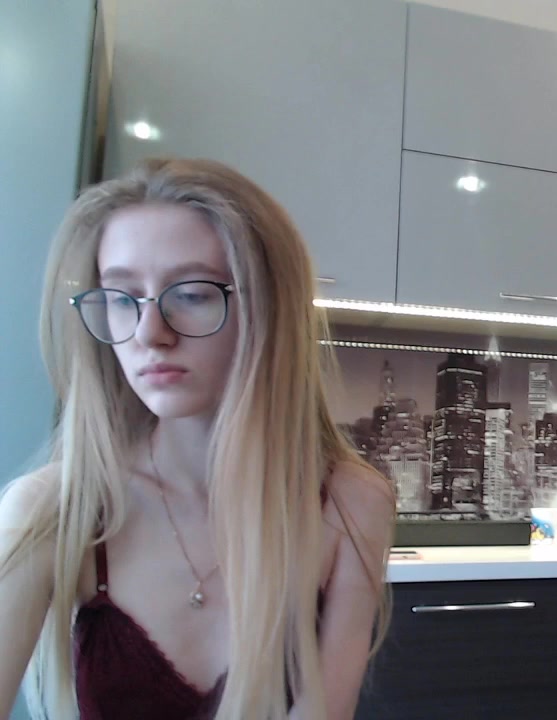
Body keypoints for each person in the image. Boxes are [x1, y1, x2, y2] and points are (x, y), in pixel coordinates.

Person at [0, 158, 396, 719]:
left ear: (268, 307)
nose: (149, 334)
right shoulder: (56, 510)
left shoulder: (350, 505)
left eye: (191, 293)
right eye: (121, 297)